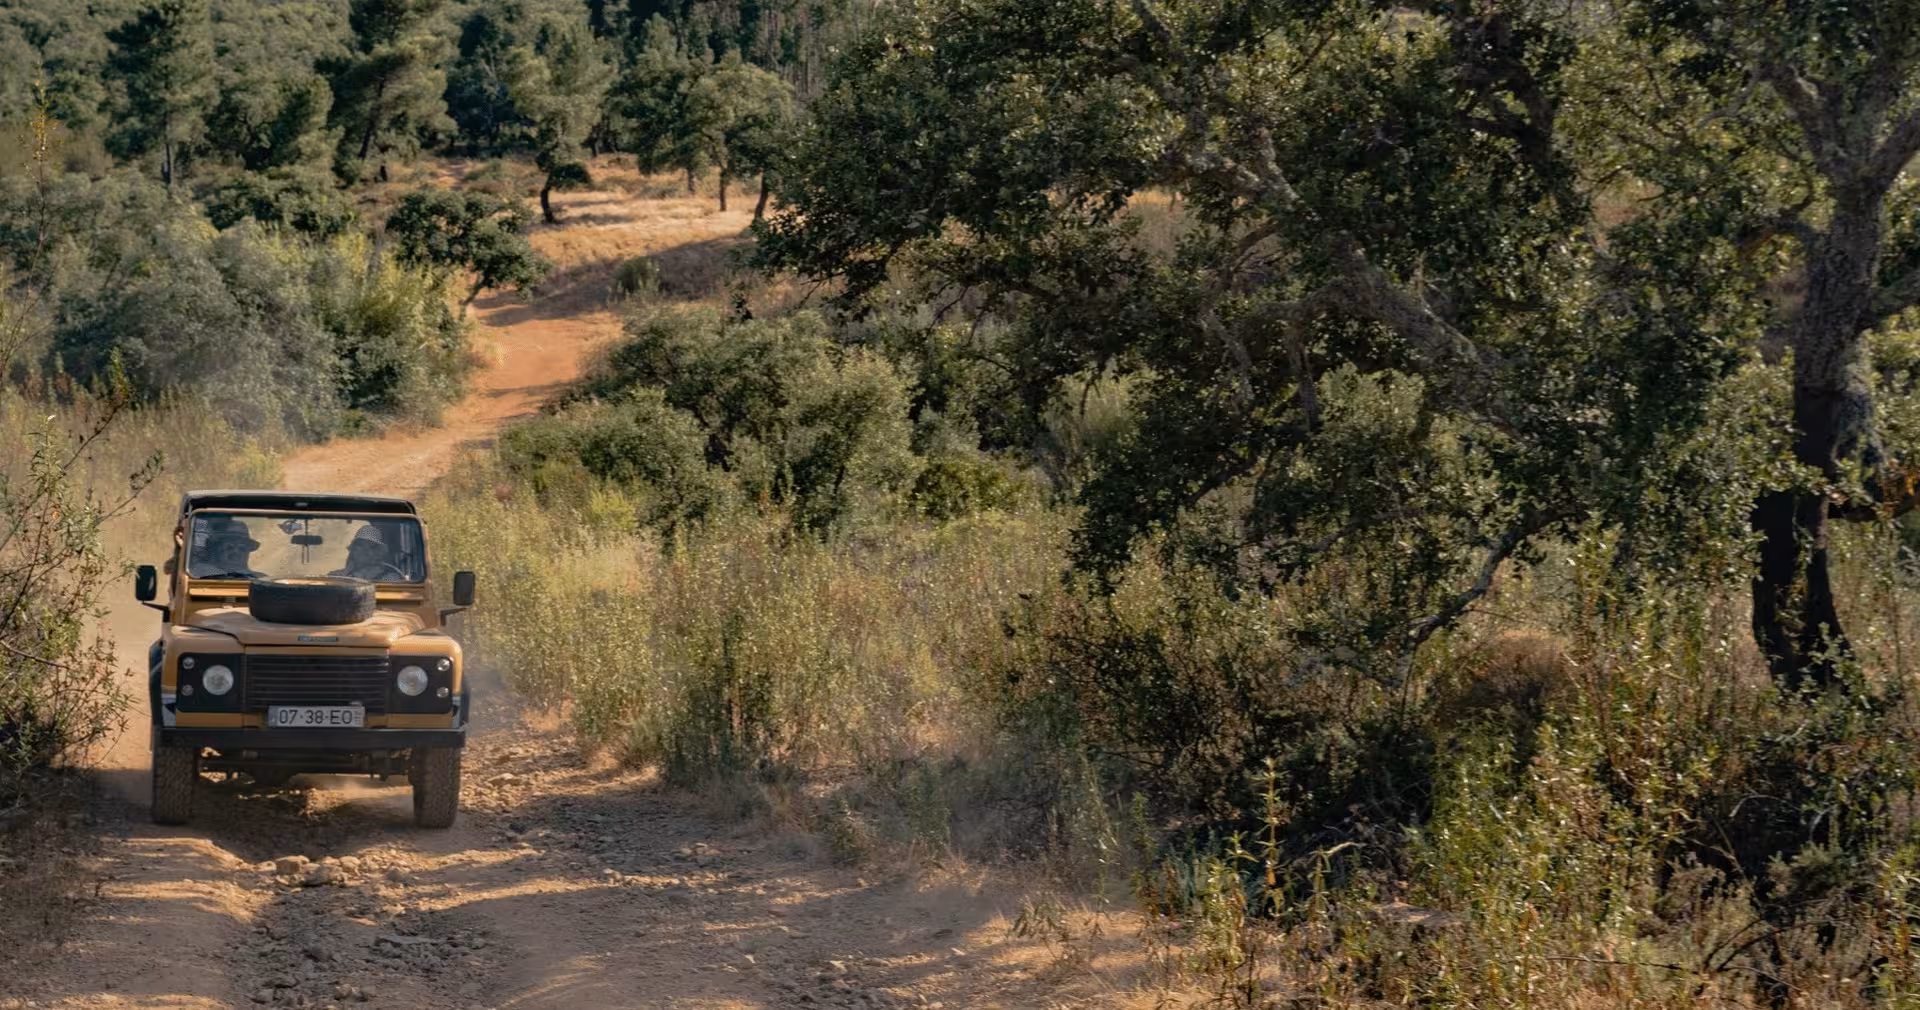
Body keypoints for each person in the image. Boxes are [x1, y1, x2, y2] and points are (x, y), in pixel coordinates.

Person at [330, 525, 405, 581]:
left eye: (371, 547)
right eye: (360, 545)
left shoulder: (390, 577)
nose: (364, 551)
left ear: (378, 552)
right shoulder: (340, 575)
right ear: (353, 549)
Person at [194, 529, 266, 579]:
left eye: (242, 548)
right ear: (218, 549)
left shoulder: (261, 579)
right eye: (229, 547)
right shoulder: (202, 573)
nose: (236, 551)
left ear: (248, 552)